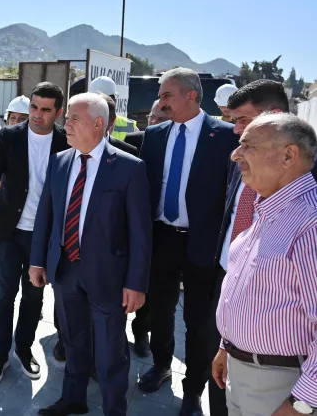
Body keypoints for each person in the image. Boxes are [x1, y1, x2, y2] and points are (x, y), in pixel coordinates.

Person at [29, 93, 152, 416]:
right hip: (65, 269)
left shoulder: (128, 167)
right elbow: (46, 215)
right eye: (67, 117)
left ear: (98, 124)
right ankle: (73, 399)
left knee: (110, 351)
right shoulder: (59, 162)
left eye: (73, 119)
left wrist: (136, 283)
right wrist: (38, 260)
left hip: (109, 277)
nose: (65, 124)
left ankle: (114, 410)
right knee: (73, 340)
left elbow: (141, 233)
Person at [137, 68, 238, 416]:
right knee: (160, 311)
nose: (161, 102)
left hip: (203, 243)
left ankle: (193, 390)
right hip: (162, 238)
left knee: (199, 321)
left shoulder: (224, 136)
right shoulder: (154, 136)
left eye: (167, 95)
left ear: (191, 96)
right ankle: (161, 365)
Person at [212, 113, 317, 416]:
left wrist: (302, 404)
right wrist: (227, 346)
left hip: (282, 387)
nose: (236, 154)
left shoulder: (310, 223)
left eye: (248, 146)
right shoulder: (269, 209)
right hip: (243, 371)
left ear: (288, 156)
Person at [0, 82, 68, 384]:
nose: (37, 114)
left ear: (58, 112)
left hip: (44, 236)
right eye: (34, 107)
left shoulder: (66, 141)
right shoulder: (10, 136)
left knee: (34, 296)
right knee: (4, 294)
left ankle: (24, 349)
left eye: (45, 110)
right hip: (8, 231)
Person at [208, 79, 293, 416]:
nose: (235, 129)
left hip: (277, 340)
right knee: (219, 378)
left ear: (275, 116)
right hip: (227, 281)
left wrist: (304, 399)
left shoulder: (309, 184)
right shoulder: (242, 158)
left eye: (243, 120)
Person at [123, 98, 170, 358]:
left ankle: (141, 332)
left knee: (150, 288)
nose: (154, 123)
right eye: (152, 117)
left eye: (161, 119)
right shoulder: (133, 141)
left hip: (161, 228)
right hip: (130, 225)